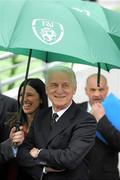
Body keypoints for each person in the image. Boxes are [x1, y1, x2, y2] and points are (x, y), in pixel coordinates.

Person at [17, 66, 97, 180]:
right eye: (54, 85)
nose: (59, 90)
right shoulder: (40, 115)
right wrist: (43, 169)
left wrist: (39, 153)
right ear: (46, 89)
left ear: (74, 89)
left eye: (65, 85)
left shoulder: (86, 120)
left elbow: (70, 159)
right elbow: (21, 155)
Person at [0, 78, 48, 180]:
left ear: (41, 99)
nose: (24, 99)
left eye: (29, 95)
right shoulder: (8, 122)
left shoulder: (50, 126)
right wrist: (11, 143)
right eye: (21, 95)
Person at [79, 73, 120, 180]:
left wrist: (101, 119)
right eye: (92, 90)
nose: (97, 94)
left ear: (107, 90)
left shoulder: (117, 110)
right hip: (78, 174)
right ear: (86, 90)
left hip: (106, 176)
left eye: (101, 89)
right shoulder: (75, 110)